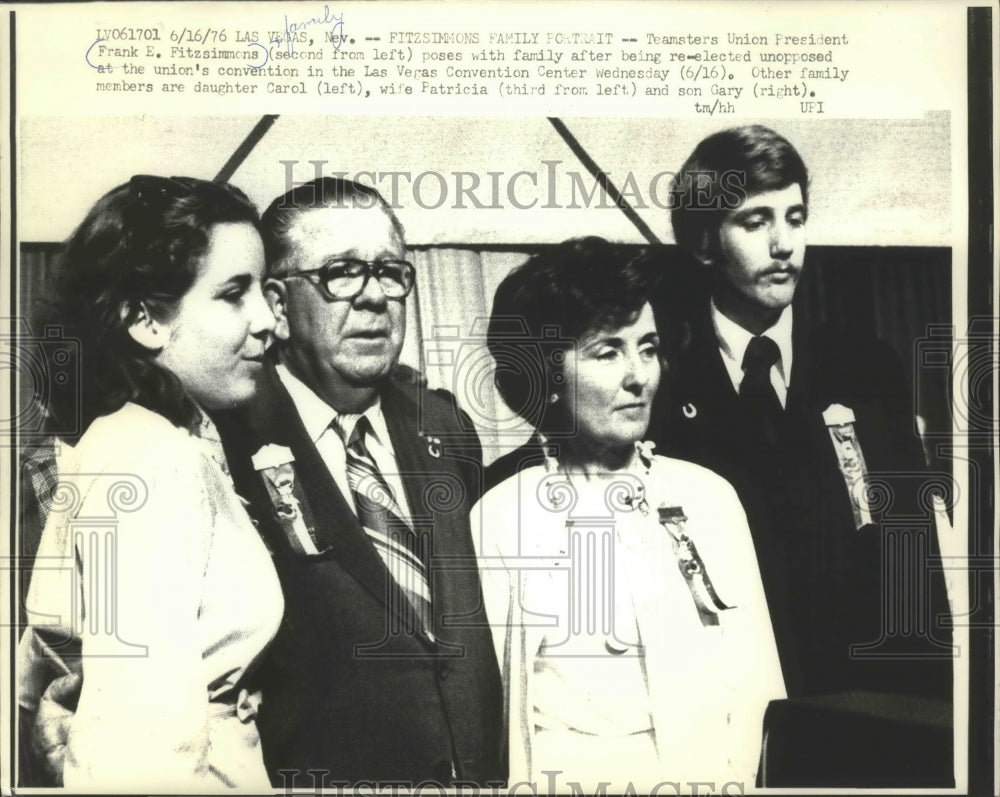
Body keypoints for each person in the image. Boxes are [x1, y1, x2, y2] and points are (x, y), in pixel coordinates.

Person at [649, 126, 953, 784]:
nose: (784, 244)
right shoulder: (665, 387)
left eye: (795, 217)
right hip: (740, 726)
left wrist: (933, 711)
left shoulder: (866, 365)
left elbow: (911, 550)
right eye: (754, 221)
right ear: (704, 242)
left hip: (875, 713)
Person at [213, 177, 504, 788]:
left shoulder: (444, 425)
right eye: (342, 273)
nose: (375, 297)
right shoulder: (222, 444)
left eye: (390, 272)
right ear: (279, 305)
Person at [474, 237, 785, 792]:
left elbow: (762, 686)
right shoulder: (499, 517)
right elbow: (488, 716)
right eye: (606, 352)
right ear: (548, 373)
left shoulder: (710, 498)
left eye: (647, 348)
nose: (637, 376)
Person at [17, 175, 283, 790]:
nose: (269, 320)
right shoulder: (154, 458)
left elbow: (50, 669)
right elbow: (144, 744)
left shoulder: (121, 442)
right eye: (234, 294)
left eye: (264, 291)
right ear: (144, 320)